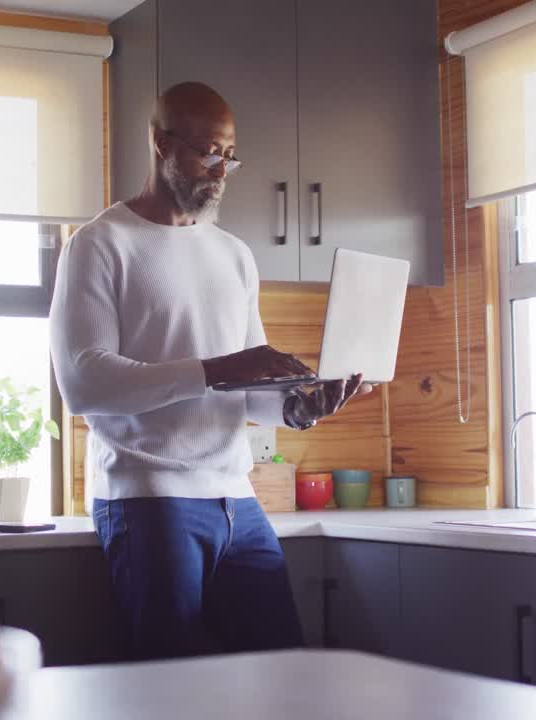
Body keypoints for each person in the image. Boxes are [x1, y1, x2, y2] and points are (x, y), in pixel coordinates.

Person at [49, 81, 370, 660]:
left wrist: (297, 406)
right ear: (159, 142)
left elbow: (248, 390)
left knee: (280, 672)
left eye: (229, 154)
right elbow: (84, 382)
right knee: (173, 685)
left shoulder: (234, 255)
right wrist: (220, 368)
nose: (221, 170)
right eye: (207, 152)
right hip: (148, 495)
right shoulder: (99, 245)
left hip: (236, 496)